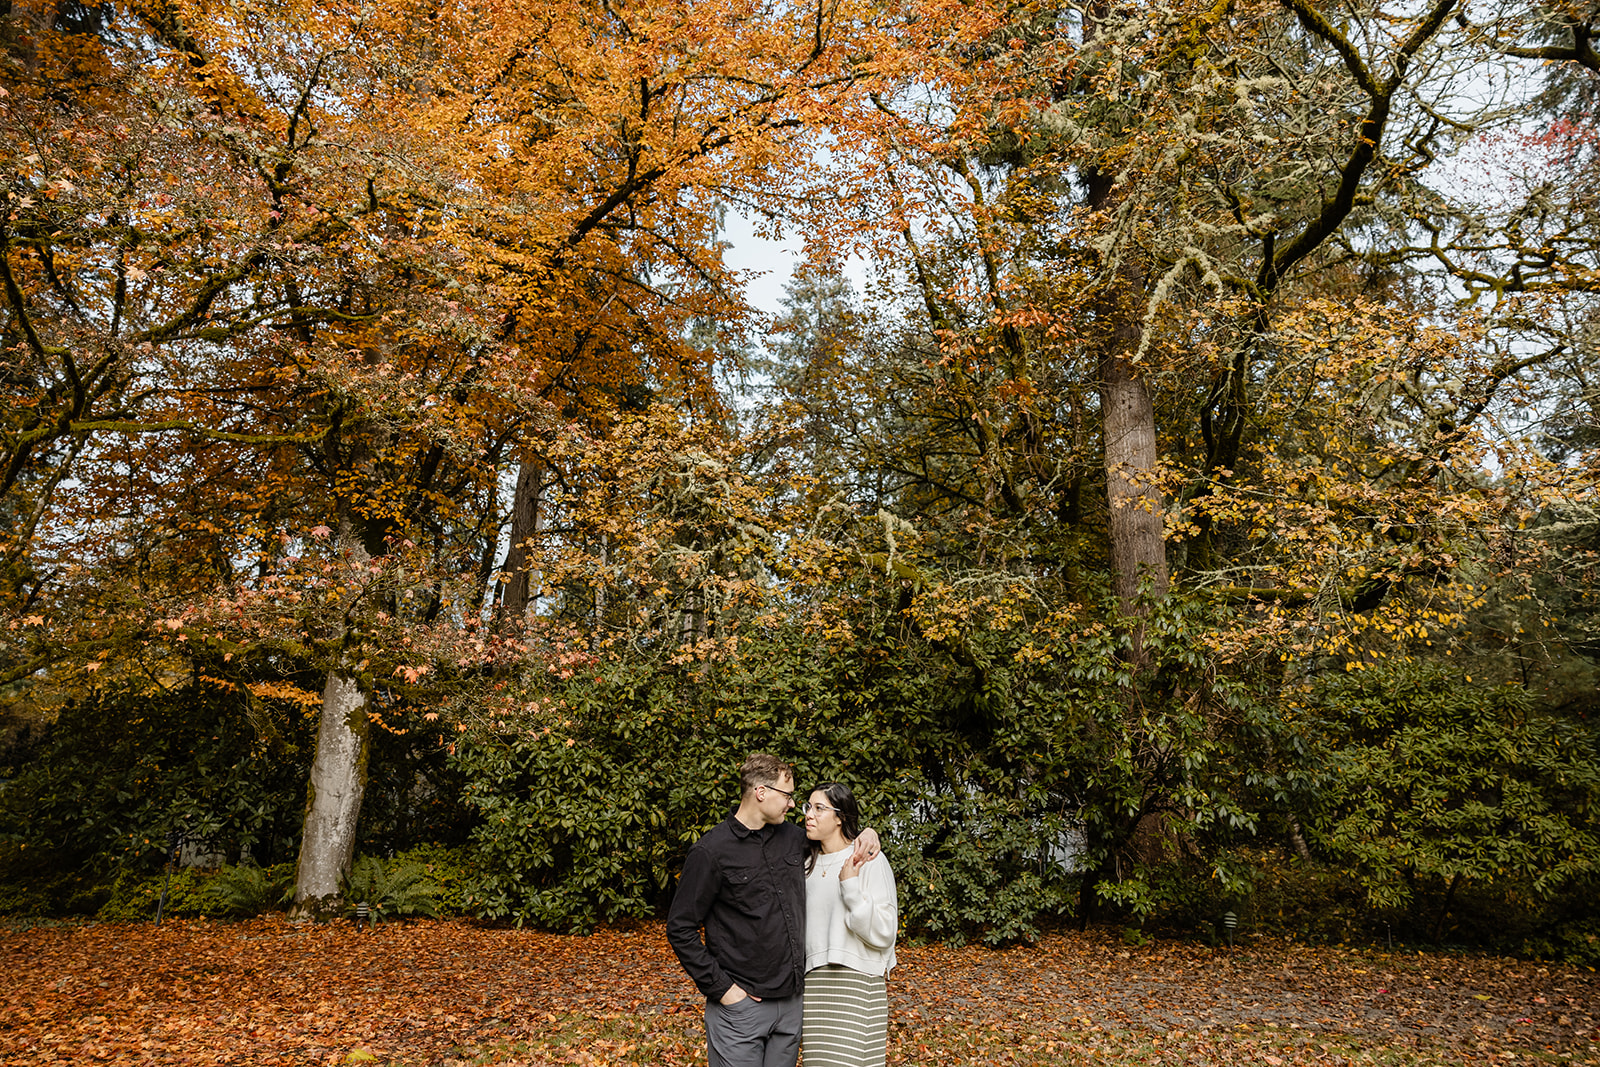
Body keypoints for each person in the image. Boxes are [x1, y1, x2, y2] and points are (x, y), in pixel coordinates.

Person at [666, 754, 878, 1067]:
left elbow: (837, 841)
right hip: (740, 1007)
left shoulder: (794, 839)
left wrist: (867, 832)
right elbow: (680, 927)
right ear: (761, 793)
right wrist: (723, 989)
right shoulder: (711, 851)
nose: (792, 805)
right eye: (787, 796)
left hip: (791, 1006)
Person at [801, 781, 897, 1067]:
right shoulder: (805, 864)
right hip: (814, 986)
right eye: (808, 807)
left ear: (841, 817)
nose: (809, 814)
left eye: (819, 808)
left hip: (856, 982)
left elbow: (884, 932)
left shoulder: (869, 859)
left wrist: (851, 888)